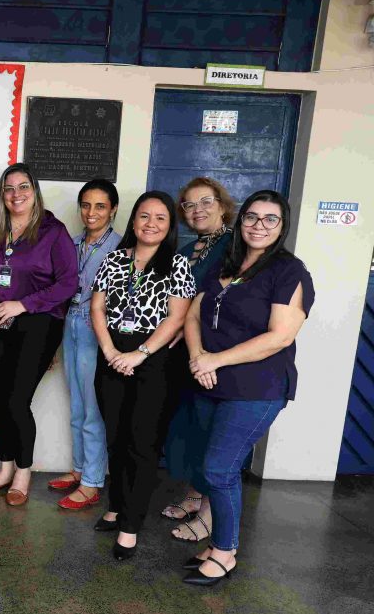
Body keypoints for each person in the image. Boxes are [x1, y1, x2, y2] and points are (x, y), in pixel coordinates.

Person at [181, 190, 314, 586]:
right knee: (215, 469)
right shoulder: (226, 262)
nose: (259, 225)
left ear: (282, 226)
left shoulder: (290, 272)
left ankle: (225, 553)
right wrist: (198, 357)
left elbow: (279, 337)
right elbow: (192, 315)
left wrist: (215, 360)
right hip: (209, 379)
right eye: (252, 217)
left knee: (219, 469)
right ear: (240, 223)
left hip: (258, 387)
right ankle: (218, 543)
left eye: (270, 219)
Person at [90, 191, 196, 560]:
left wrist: (139, 354)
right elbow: (98, 307)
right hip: (112, 355)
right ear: (133, 222)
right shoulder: (114, 259)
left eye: (160, 218)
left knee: (142, 444)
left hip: (154, 362)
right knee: (116, 440)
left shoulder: (178, 265)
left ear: (170, 227)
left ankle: (131, 526)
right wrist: (109, 352)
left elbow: (176, 317)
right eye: (144, 216)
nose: (151, 224)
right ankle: (117, 506)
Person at [0, 163, 77, 506]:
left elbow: (68, 284)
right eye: (9, 188)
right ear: (2, 194)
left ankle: (23, 471)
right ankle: (4, 469)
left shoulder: (53, 231)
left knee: (18, 400)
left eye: (23, 187)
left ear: (34, 191)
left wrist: (22, 304)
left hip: (38, 322)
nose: (16, 194)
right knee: (0, 398)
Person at [163, 177, 237, 542]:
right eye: (189, 205)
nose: (198, 210)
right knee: (188, 426)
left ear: (222, 205)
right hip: (183, 351)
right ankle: (195, 493)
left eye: (205, 202)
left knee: (211, 432)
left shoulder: (236, 245)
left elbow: (223, 296)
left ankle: (209, 515)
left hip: (213, 351)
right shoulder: (189, 248)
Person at [52, 180, 122, 510]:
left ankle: (93, 481)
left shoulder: (121, 249)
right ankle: (79, 469)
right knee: (77, 403)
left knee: (92, 407)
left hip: (98, 327)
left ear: (113, 210)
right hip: (71, 322)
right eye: (86, 205)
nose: (91, 212)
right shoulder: (71, 242)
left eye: (100, 206)